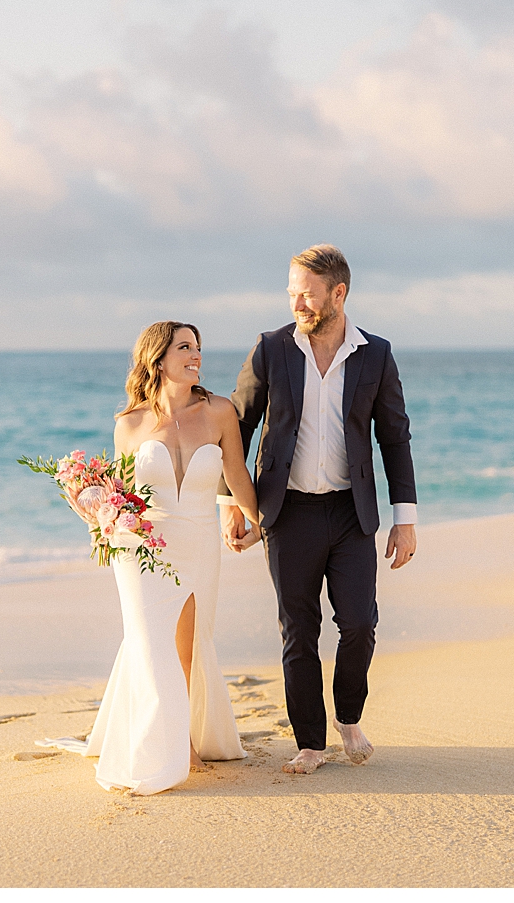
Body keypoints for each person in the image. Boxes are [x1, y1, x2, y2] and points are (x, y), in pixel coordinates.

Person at [219, 245, 418, 774]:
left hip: (352, 515)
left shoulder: (375, 354)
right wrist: (232, 505)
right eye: (291, 293)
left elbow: (394, 438)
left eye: (306, 293)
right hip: (290, 515)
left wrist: (406, 518)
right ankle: (309, 741)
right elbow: (235, 427)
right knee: (298, 629)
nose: (296, 303)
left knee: (358, 624)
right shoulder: (271, 349)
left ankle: (348, 716)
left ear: (339, 293)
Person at [82, 321, 263, 795]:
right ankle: (163, 748)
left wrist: (257, 520)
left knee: (186, 645)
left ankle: (182, 736)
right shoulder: (129, 424)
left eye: (198, 347)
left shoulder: (220, 411)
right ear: (157, 359)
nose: (196, 354)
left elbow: (237, 471)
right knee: (148, 641)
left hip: (200, 541)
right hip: (143, 548)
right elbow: (118, 495)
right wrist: (92, 508)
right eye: (184, 347)